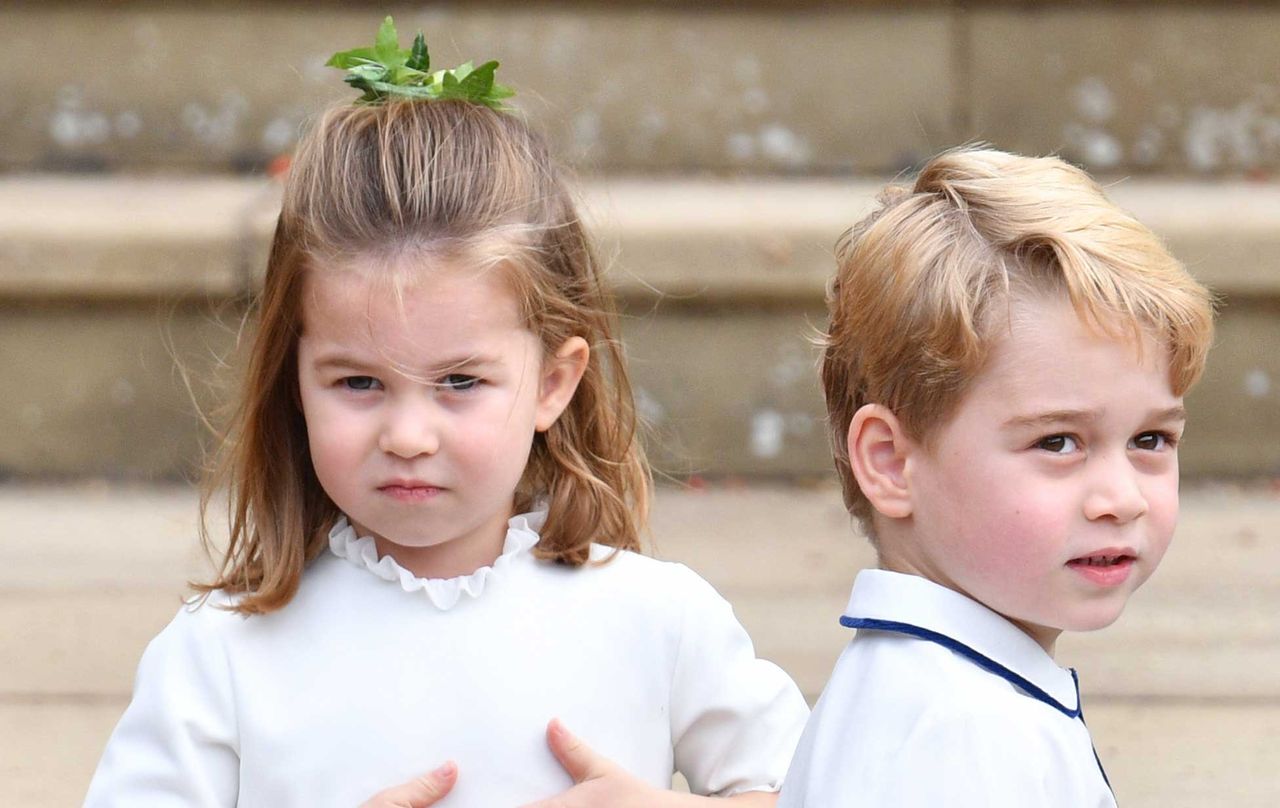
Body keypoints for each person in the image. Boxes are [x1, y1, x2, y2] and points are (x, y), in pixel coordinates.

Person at [85, 19, 807, 807]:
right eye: (357, 383)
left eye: (460, 382)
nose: (407, 435)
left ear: (553, 384)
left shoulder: (658, 621)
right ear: (293, 378)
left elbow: (826, 788)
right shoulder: (221, 654)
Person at [778, 147, 1215, 807]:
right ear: (891, 462)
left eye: (1149, 439)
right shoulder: (966, 735)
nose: (1122, 499)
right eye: (1059, 441)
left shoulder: (935, 690)